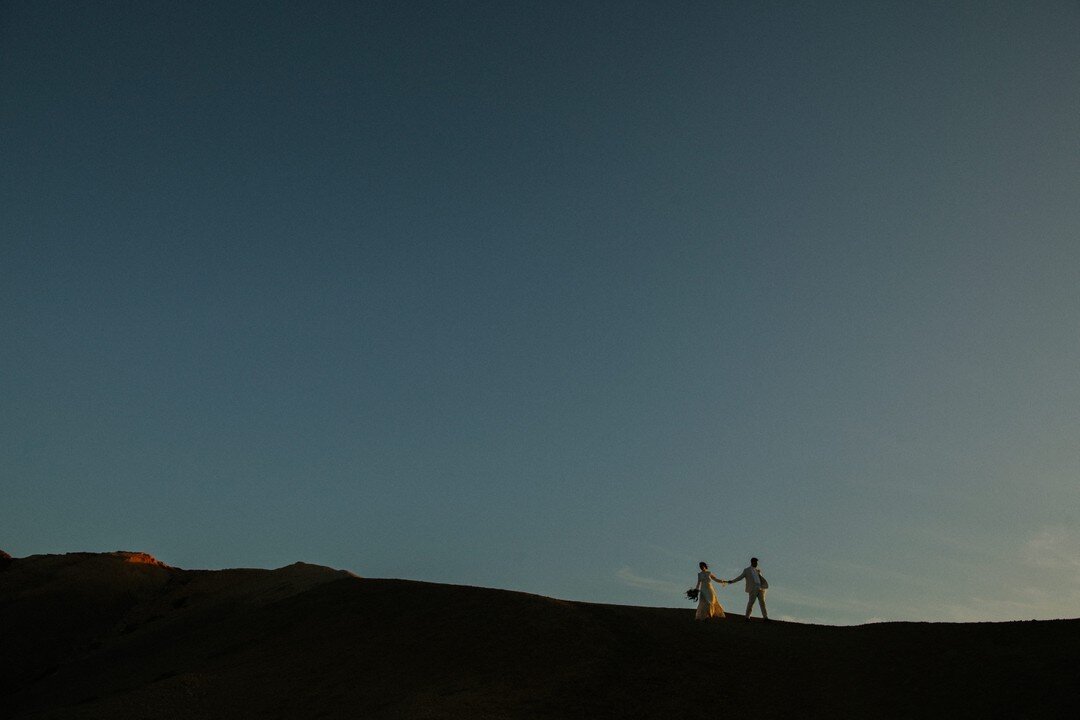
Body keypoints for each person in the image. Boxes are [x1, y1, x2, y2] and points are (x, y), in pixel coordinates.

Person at [726, 557, 769, 621]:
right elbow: (740, 577)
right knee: (751, 602)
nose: (757, 564)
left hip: (760, 588)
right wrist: (732, 581)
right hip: (753, 588)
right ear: (752, 562)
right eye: (756, 563)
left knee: (762, 603)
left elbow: (760, 578)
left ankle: (765, 617)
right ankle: (747, 617)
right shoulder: (747, 570)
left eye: (757, 563)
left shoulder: (758, 570)